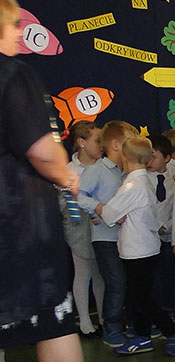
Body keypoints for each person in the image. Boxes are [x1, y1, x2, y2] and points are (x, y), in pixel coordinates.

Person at [0, 0, 112, 362]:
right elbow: (41, 150)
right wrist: (66, 174)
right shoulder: (13, 74)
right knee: (53, 318)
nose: (19, 34)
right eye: (13, 25)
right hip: (17, 221)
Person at [98, 137, 175, 356]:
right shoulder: (142, 181)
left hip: (138, 249)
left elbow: (108, 214)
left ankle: (173, 331)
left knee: (141, 298)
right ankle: (143, 335)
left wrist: (94, 204)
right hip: (142, 246)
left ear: (125, 157)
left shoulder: (132, 185)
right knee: (138, 295)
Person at [78, 122, 134, 348]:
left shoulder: (127, 172)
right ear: (116, 145)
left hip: (126, 238)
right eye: (129, 142)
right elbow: (78, 196)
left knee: (126, 282)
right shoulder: (96, 170)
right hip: (105, 238)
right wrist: (100, 208)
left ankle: (126, 323)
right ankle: (111, 327)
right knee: (116, 283)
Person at [64, 122, 104, 338]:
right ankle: (85, 323)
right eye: (97, 140)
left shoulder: (105, 166)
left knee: (101, 273)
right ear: (81, 142)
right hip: (80, 228)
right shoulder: (69, 171)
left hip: (104, 227)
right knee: (83, 272)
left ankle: (105, 318)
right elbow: (65, 203)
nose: (101, 145)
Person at [147, 134, 175, 318]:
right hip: (149, 235)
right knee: (154, 276)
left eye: (153, 157)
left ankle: (172, 306)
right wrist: (156, 225)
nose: (149, 161)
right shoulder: (142, 178)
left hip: (169, 235)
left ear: (167, 158)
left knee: (170, 272)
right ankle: (157, 311)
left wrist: (167, 226)